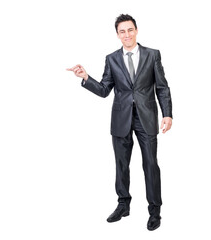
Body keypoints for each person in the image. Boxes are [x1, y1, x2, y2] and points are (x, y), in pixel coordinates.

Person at [66, 14, 172, 231]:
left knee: (150, 164)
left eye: (130, 30)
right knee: (121, 165)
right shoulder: (112, 58)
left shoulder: (153, 55)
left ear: (136, 30)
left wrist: (167, 114)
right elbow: (105, 90)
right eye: (122, 31)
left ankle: (155, 211)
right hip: (121, 119)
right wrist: (86, 77)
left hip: (146, 117)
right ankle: (123, 205)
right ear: (117, 34)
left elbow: (162, 87)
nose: (127, 34)